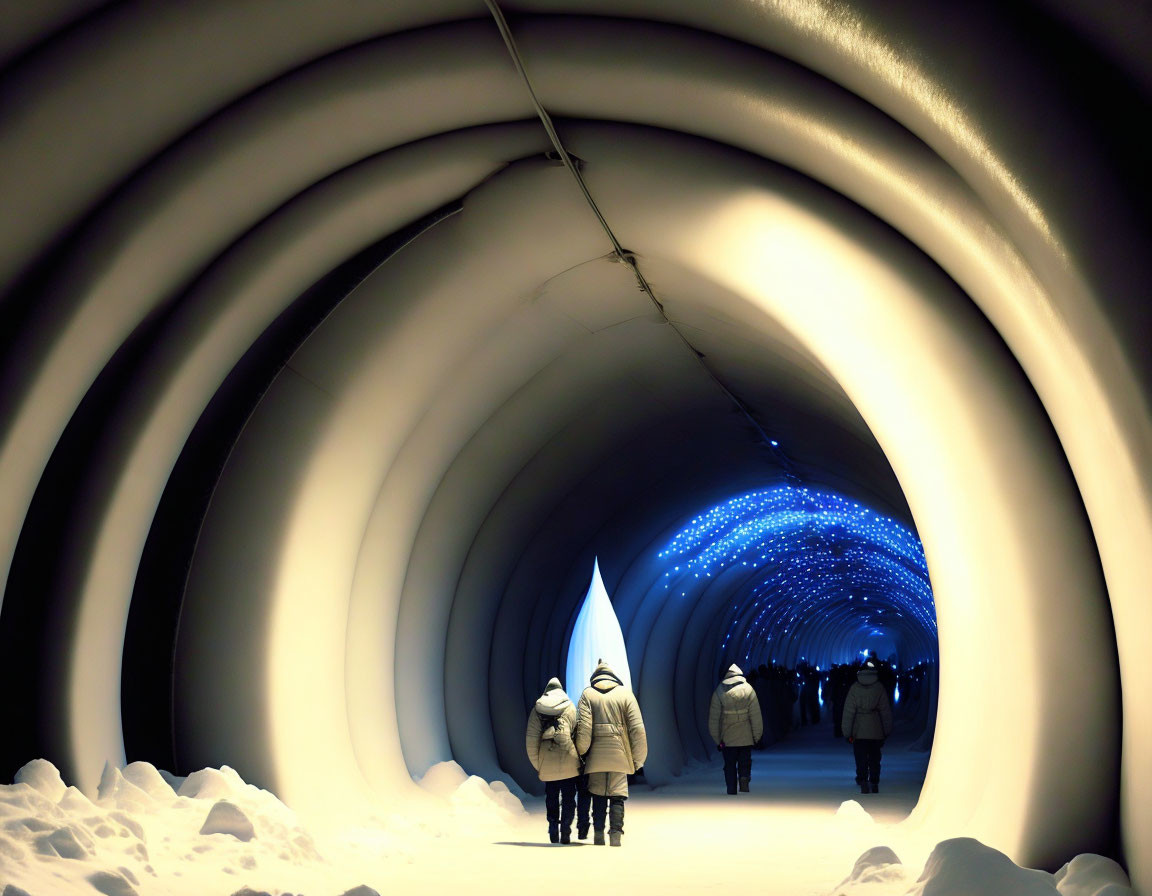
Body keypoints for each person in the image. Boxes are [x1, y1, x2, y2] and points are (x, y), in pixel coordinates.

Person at [574, 659, 647, 847]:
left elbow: (583, 729)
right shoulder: (625, 695)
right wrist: (638, 760)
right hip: (620, 755)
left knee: (597, 794)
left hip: (595, 757)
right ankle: (615, 834)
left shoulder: (587, 695)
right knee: (617, 796)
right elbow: (637, 730)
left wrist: (582, 753)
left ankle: (598, 833)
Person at [525, 677, 582, 843]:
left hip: (546, 760)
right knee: (569, 797)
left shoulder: (537, 710)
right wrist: (578, 760)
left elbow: (531, 741)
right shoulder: (570, 707)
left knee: (551, 796)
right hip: (568, 758)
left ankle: (552, 825)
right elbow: (578, 735)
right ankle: (566, 828)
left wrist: (540, 764)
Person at [708, 664, 764, 794]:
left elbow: (714, 719)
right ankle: (744, 779)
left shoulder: (719, 691)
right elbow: (755, 716)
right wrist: (757, 736)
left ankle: (731, 787)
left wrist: (717, 740)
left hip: (727, 738)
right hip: (746, 736)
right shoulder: (749, 689)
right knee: (745, 761)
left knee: (729, 764)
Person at [841, 659, 894, 794]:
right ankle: (874, 782)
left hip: (859, 730)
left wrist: (847, 732)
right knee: (875, 758)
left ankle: (863, 780)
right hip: (876, 729)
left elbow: (848, 712)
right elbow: (885, 711)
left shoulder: (855, 688)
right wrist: (886, 730)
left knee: (861, 757)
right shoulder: (879, 688)